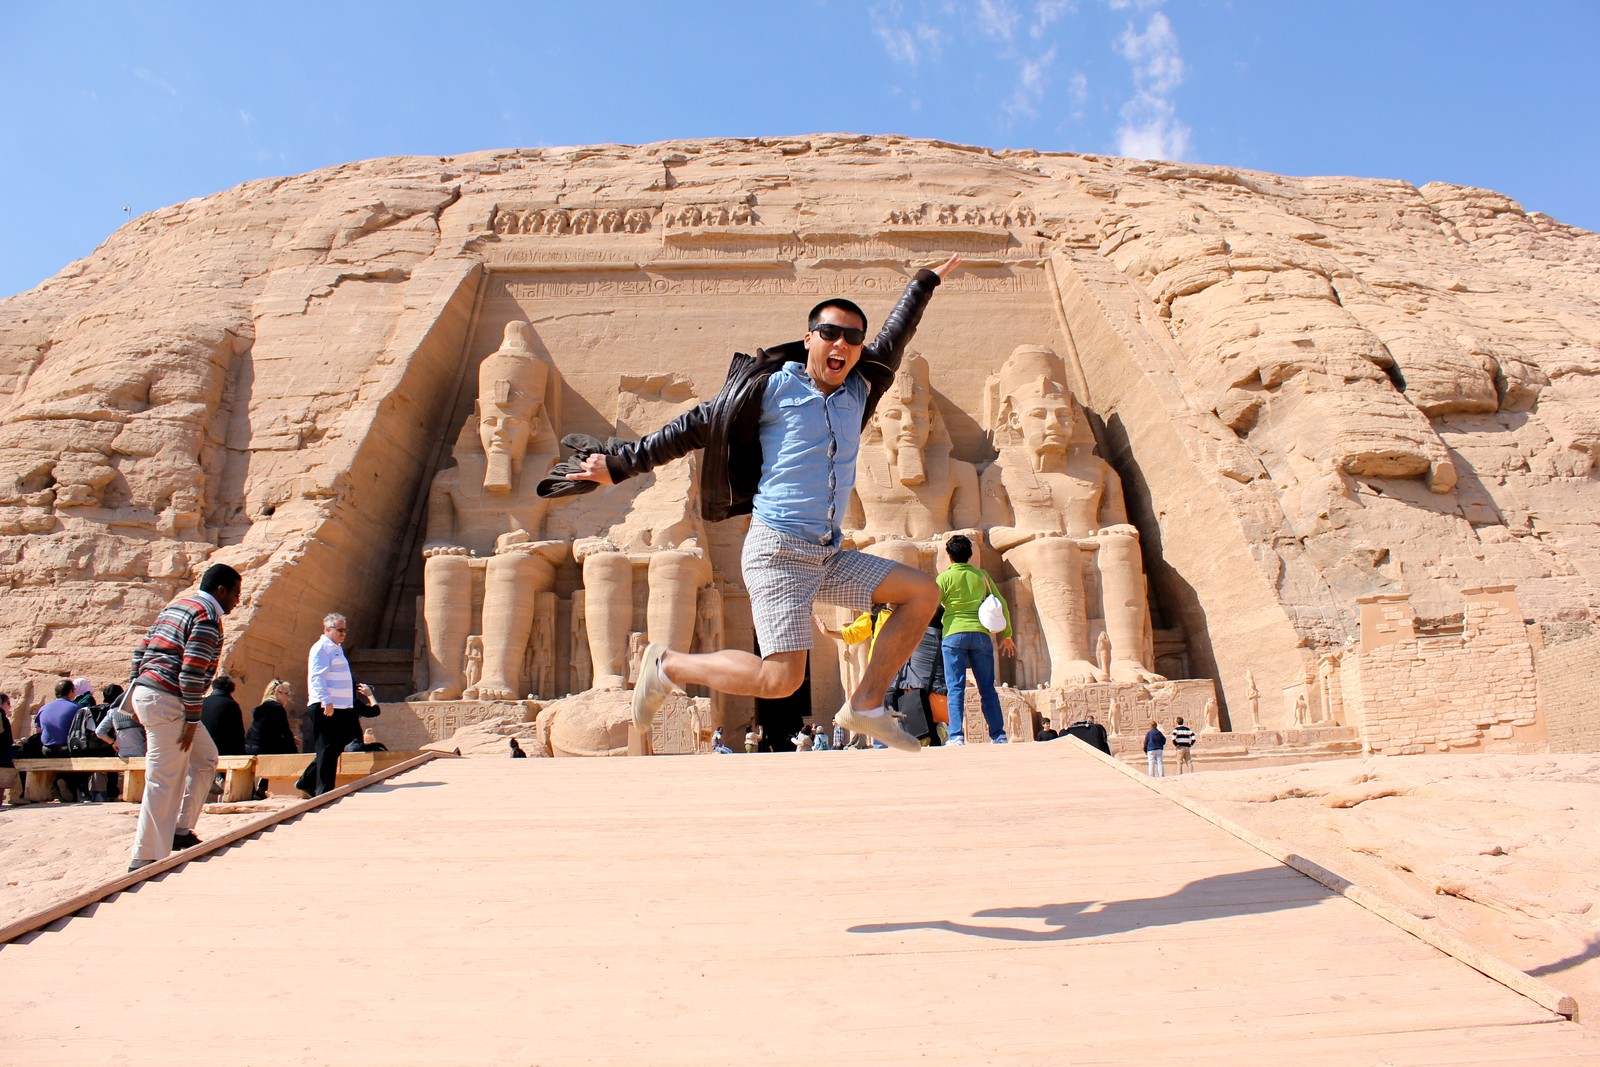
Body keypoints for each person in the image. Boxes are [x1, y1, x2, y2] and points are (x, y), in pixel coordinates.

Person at [567, 256, 962, 753]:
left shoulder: (861, 388)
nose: (842, 344)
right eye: (831, 332)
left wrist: (923, 283)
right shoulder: (770, 388)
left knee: (922, 594)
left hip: (826, 553)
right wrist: (620, 464)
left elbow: (896, 337)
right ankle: (667, 665)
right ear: (809, 338)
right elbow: (692, 426)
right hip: (778, 550)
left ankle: (865, 705)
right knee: (780, 680)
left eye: (853, 338)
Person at [126, 563, 240, 871]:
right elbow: (191, 671)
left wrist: (137, 689)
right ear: (221, 590)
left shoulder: (177, 607)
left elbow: (141, 650)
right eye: (235, 593)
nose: (237, 601)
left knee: (205, 758)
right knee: (164, 777)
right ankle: (145, 855)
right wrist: (191, 720)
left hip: (153, 692)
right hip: (170, 698)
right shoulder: (207, 617)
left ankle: (180, 829)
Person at [935, 534, 1015, 745]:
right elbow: (1002, 604)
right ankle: (998, 734)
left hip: (953, 634)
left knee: (955, 687)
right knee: (987, 687)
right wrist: (1007, 635)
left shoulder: (943, 578)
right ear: (970, 555)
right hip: (980, 634)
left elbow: (932, 605)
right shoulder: (982, 576)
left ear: (949, 555)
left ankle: (956, 735)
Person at [296, 613, 380, 797]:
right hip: (326, 705)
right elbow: (317, 676)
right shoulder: (321, 648)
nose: (343, 633)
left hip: (340, 707)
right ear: (327, 629)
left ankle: (307, 781)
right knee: (326, 748)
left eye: (345, 630)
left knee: (334, 747)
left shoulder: (336, 648)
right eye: (339, 630)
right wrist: (326, 700)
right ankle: (324, 792)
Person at [889, 605, 946, 745]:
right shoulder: (943, 637)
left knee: (922, 735)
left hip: (914, 696)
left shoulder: (911, 636)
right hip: (940, 697)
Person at [244, 679, 298, 755]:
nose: (288, 698)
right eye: (286, 694)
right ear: (276, 693)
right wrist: (294, 752)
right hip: (263, 749)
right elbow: (286, 733)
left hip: (249, 747)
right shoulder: (277, 708)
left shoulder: (261, 707)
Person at [200, 674, 246, 756]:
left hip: (200, 747)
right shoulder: (231, 705)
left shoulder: (202, 702)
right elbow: (237, 733)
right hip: (220, 751)